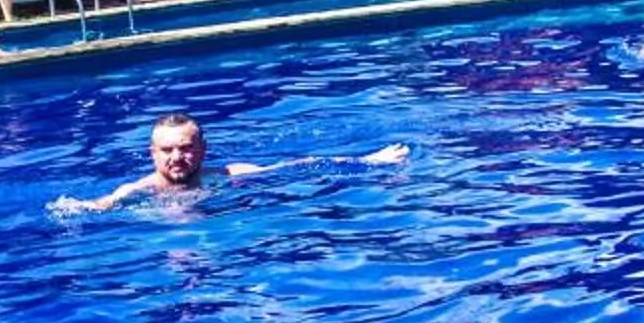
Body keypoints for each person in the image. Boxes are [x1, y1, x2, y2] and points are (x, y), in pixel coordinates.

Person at [54, 112, 408, 213]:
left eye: (186, 148)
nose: (177, 157)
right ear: (152, 154)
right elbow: (100, 206)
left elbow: (302, 165)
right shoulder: (139, 190)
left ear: (203, 150)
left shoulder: (228, 176)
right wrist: (77, 208)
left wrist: (367, 161)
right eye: (167, 151)